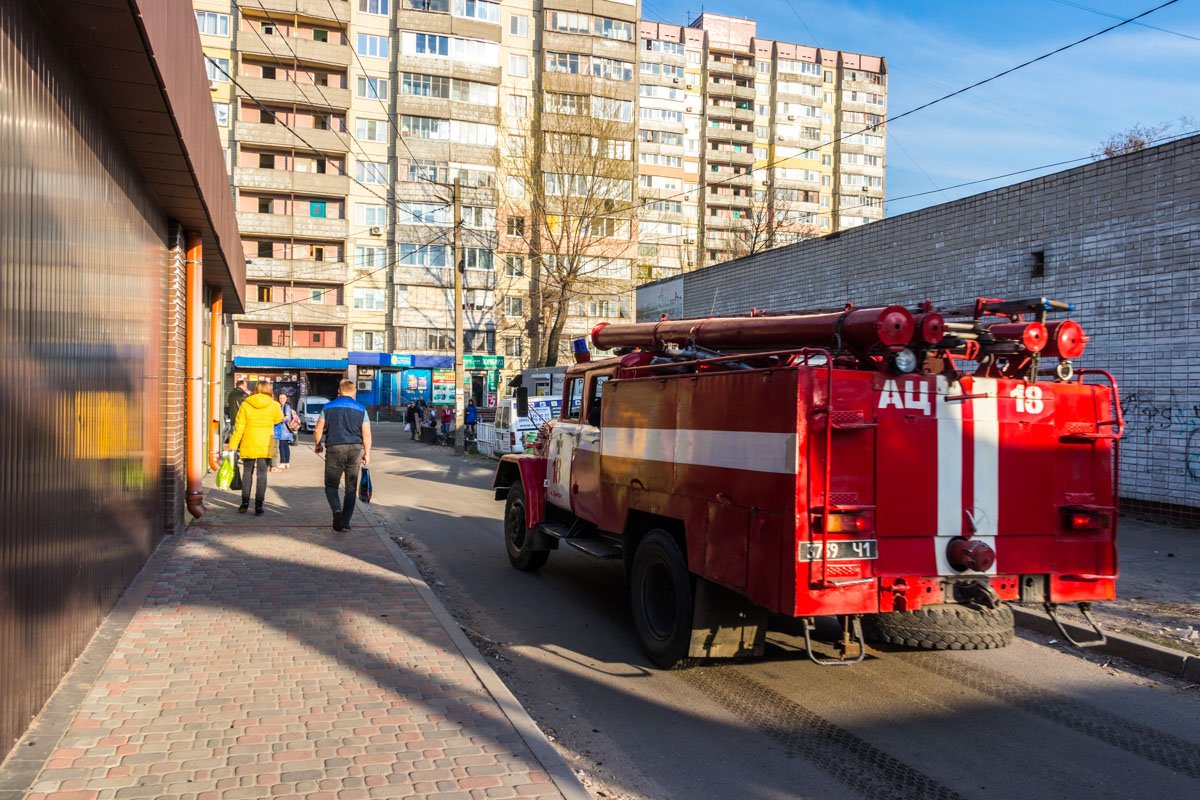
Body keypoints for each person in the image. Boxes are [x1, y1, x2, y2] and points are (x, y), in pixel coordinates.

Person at [313, 379, 371, 532]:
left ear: (339, 392)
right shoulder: (361, 409)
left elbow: (318, 429)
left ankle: (336, 510)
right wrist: (367, 453)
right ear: (354, 392)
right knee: (350, 488)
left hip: (335, 448)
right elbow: (366, 434)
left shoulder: (327, 407)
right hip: (355, 450)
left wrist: (318, 444)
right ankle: (345, 522)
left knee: (331, 485)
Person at [227, 381, 284, 515]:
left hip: (249, 442)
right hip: (265, 444)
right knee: (262, 475)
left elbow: (239, 427)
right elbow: (278, 419)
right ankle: (259, 506)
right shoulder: (274, 405)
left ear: (255, 389)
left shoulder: (246, 404)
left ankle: (244, 504)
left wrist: (233, 445)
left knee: (247, 473)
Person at [273, 392, 297, 471]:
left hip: (284, 430)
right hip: (283, 430)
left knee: (282, 446)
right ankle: (286, 462)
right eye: (280, 398)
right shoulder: (281, 406)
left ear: (287, 398)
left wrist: (278, 419)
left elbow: (288, 417)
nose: (281, 399)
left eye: (283, 398)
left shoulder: (286, 406)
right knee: (285, 446)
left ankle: (283, 462)